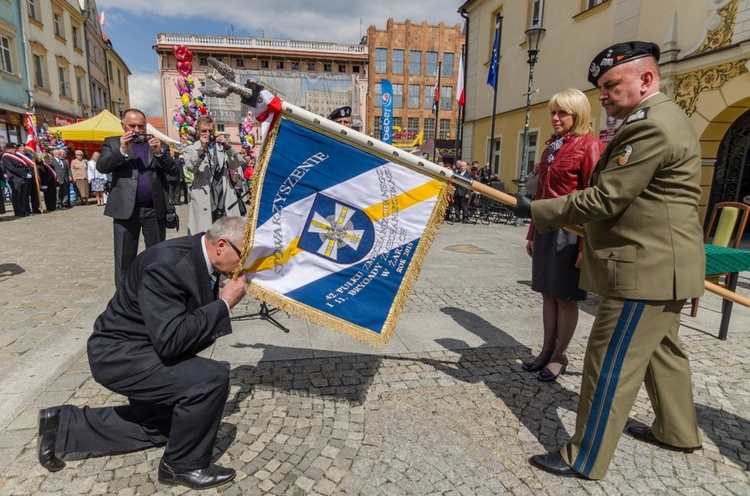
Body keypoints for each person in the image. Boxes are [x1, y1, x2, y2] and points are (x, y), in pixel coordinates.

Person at [513, 41, 704, 480]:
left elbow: (606, 197)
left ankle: (584, 457)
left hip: (644, 270)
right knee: (663, 352)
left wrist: (537, 209)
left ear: (646, 79)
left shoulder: (650, 126)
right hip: (667, 268)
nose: (603, 95)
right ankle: (678, 430)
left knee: (610, 362)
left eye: (612, 85)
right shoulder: (663, 118)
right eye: (601, 87)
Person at [36, 216, 248, 490]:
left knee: (162, 426)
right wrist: (224, 304)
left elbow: (182, 332)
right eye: (243, 258)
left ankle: (61, 426)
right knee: (212, 378)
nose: (244, 268)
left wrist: (217, 302)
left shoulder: (198, 257)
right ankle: (184, 465)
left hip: (145, 348)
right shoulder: (166, 266)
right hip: (120, 355)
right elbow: (172, 340)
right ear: (221, 245)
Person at [521, 88, 605, 383]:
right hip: (547, 230)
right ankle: (546, 350)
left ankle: (559, 355)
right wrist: (533, 232)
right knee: (547, 294)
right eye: (553, 113)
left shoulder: (590, 146)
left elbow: (593, 198)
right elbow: (541, 195)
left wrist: (586, 244)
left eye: (562, 113)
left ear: (577, 114)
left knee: (565, 297)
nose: (555, 118)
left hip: (572, 232)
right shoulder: (550, 148)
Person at [97, 108, 179, 286]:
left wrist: (159, 153)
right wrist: (121, 150)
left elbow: (174, 171)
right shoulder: (112, 143)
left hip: (154, 209)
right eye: (132, 126)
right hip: (126, 211)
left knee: (157, 257)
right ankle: (123, 299)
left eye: (141, 126)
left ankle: (155, 292)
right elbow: (102, 167)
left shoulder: (157, 144)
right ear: (123, 125)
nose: (137, 130)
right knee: (124, 258)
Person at [183, 115, 244, 236]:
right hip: (204, 197)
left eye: (210, 131)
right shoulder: (190, 149)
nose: (207, 133)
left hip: (223, 197)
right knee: (204, 234)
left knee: (225, 233)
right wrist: (201, 149)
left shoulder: (221, 148)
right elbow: (191, 168)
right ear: (198, 132)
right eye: (204, 131)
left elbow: (237, 164)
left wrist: (228, 147)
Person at [2, 143, 32, 217]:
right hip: (15, 179)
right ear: (9, 148)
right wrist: (24, 174)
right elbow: (12, 168)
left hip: (22, 178)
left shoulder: (16, 156)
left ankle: (23, 210)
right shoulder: (6, 156)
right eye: (13, 148)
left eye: (15, 148)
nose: (15, 150)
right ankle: (18, 212)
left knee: (23, 196)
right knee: (17, 196)